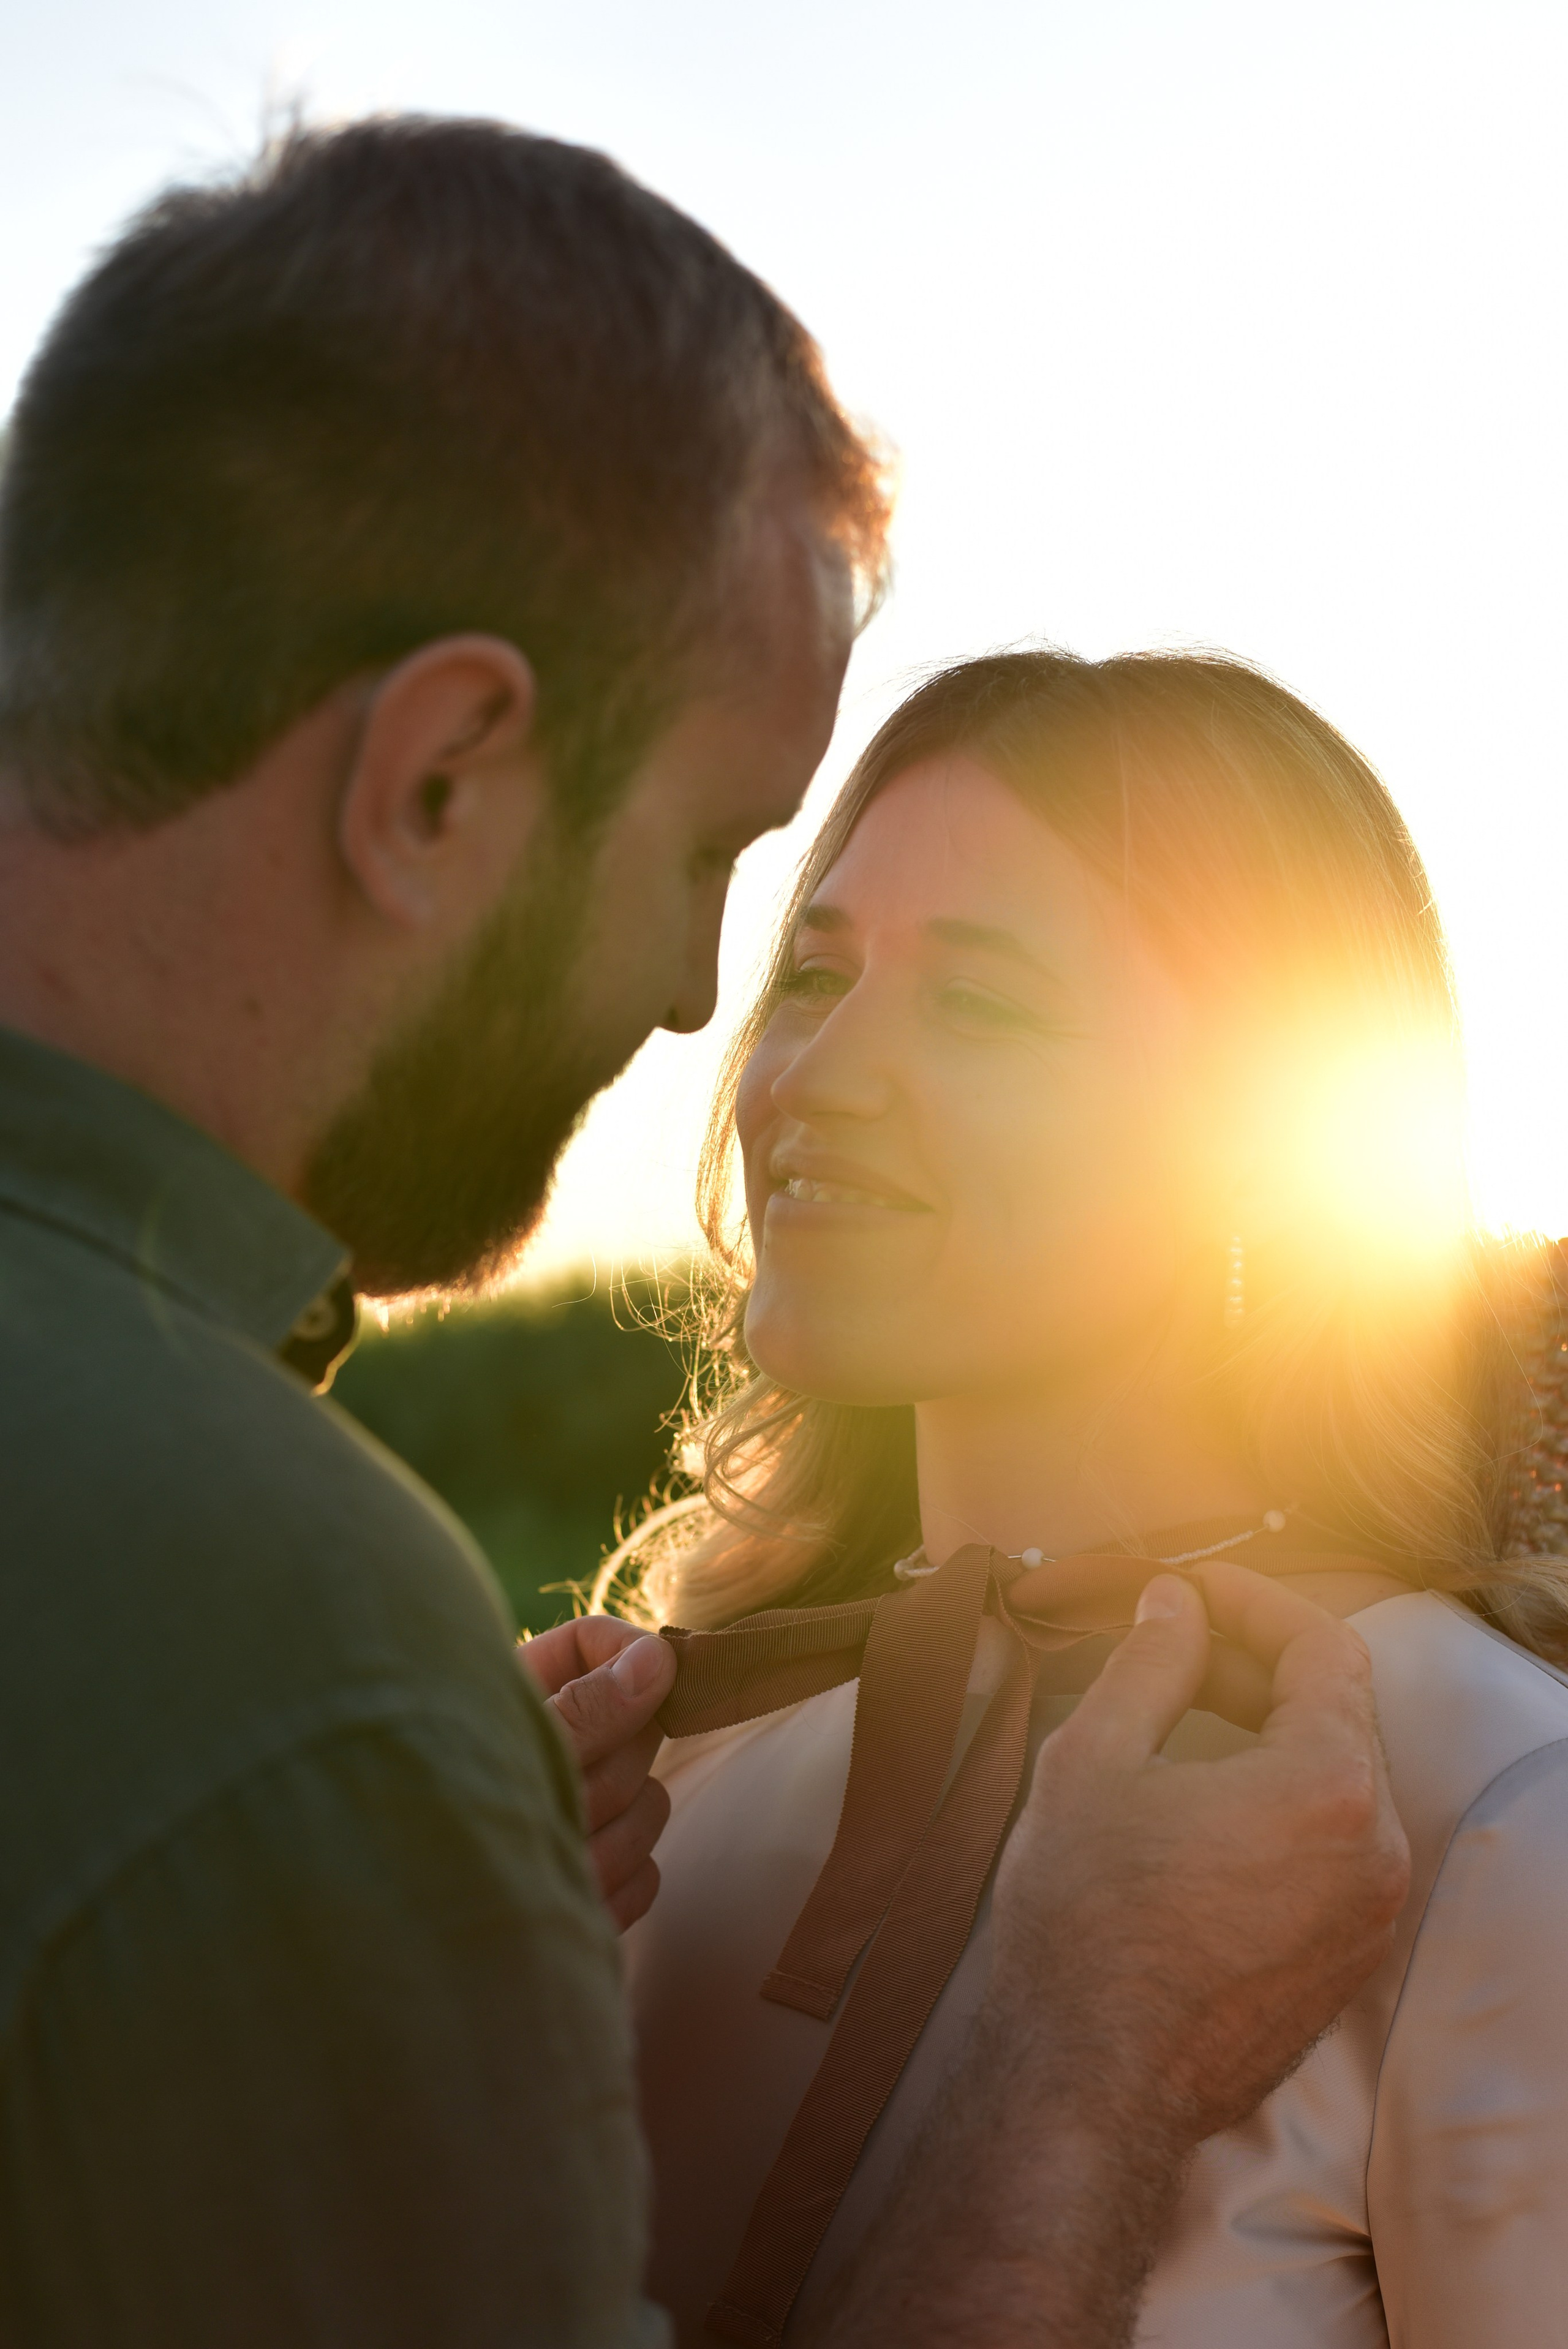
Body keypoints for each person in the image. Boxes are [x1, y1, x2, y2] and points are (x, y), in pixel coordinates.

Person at [0, 119, 1404, 2347]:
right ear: (440, 775)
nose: (703, 1009)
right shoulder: (300, 1663)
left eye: (991, 999)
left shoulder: (1471, 1783)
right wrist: (1080, 2069)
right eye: (721, 867)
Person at [619, 648, 1568, 2347]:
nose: (814, 1073)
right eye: (815, 973)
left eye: (980, 1003)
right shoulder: (669, 1782)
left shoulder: (1492, 1810)